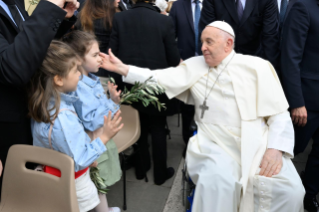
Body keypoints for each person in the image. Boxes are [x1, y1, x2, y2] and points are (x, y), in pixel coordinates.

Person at [102, 21, 305, 211]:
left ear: (229, 44)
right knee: (219, 184)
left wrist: (275, 148)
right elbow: (158, 78)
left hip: (257, 138)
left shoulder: (257, 67)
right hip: (214, 141)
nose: (203, 47)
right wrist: (122, 68)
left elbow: (279, 113)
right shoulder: (195, 66)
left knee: (291, 190)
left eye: (209, 42)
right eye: (202, 42)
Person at [29, 41, 123, 212]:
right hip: (74, 185)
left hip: (51, 177)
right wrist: (104, 137)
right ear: (58, 79)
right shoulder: (63, 117)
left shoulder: (44, 105)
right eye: (75, 71)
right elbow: (79, 160)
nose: (79, 75)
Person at [0, 0, 78, 199]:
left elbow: (30, 49)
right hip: (7, 132)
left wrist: (59, 17)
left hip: (29, 115)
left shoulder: (14, 3)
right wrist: (49, 8)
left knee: (32, 191)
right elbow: (13, 68)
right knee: (15, 196)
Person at [108, 0, 180, 185]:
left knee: (138, 126)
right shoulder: (164, 21)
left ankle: (141, 169)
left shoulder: (120, 18)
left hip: (129, 84)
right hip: (156, 84)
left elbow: (113, 54)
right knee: (157, 128)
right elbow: (173, 59)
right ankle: (160, 173)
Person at [62, 30, 122, 212]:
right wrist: (111, 104)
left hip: (100, 138)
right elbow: (91, 120)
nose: (99, 59)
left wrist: (111, 100)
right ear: (78, 59)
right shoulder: (78, 86)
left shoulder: (92, 79)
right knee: (98, 183)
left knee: (99, 184)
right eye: (95, 55)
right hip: (94, 139)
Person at [281, 0, 319, 211]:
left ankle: (309, 195)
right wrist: (297, 102)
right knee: (289, 152)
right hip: (306, 103)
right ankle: (282, 197)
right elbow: (290, 56)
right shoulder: (302, 7)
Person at [199, 0, 280, 70]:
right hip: (220, 63)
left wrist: (270, 73)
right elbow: (207, 34)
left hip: (253, 62)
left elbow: (270, 39)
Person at [169, 0, 202, 157]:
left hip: (209, 65)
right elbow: (170, 35)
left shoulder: (213, 3)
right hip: (186, 65)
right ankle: (188, 143)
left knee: (207, 106)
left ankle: (205, 143)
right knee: (187, 107)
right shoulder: (178, 5)